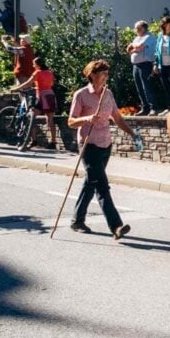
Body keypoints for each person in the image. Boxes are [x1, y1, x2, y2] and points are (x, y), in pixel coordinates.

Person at [67, 59, 137, 239]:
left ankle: (77, 220)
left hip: (105, 143)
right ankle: (116, 226)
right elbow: (71, 121)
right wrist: (88, 118)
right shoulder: (81, 95)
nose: (106, 76)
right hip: (88, 144)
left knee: (91, 183)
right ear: (92, 75)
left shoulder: (108, 94)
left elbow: (118, 118)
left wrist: (132, 133)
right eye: (103, 73)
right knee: (101, 186)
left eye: (107, 73)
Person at [12, 57, 59, 151]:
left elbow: (28, 83)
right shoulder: (49, 72)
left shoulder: (37, 72)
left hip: (41, 96)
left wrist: (16, 88)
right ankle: (53, 142)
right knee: (50, 120)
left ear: (37, 64)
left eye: (34, 64)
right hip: (50, 95)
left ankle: (34, 140)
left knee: (31, 116)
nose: (33, 66)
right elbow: (51, 84)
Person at [125, 21, 158, 115]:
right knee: (139, 87)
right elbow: (128, 49)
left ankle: (153, 108)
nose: (136, 30)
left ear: (143, 28)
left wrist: (133, 47)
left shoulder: (149, 37)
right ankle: (145, 108)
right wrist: (134, 48)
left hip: (145, 64)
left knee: (147, 86)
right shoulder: (137, 38)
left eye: (137, 28)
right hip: (136, 65)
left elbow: (140, 47)